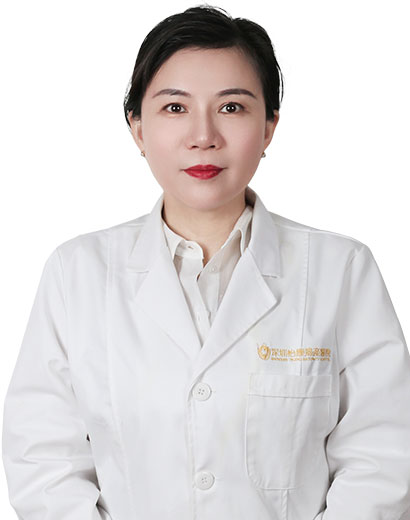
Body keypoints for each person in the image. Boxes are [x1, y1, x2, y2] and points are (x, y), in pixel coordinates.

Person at [2, 4, 410, 520]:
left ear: (269, 127)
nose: (203, 135)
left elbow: (382, 457)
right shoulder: (76, 273)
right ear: (137, 129)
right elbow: (44, 461)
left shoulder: (340, 270)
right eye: (175, 107)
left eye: (232, 107)